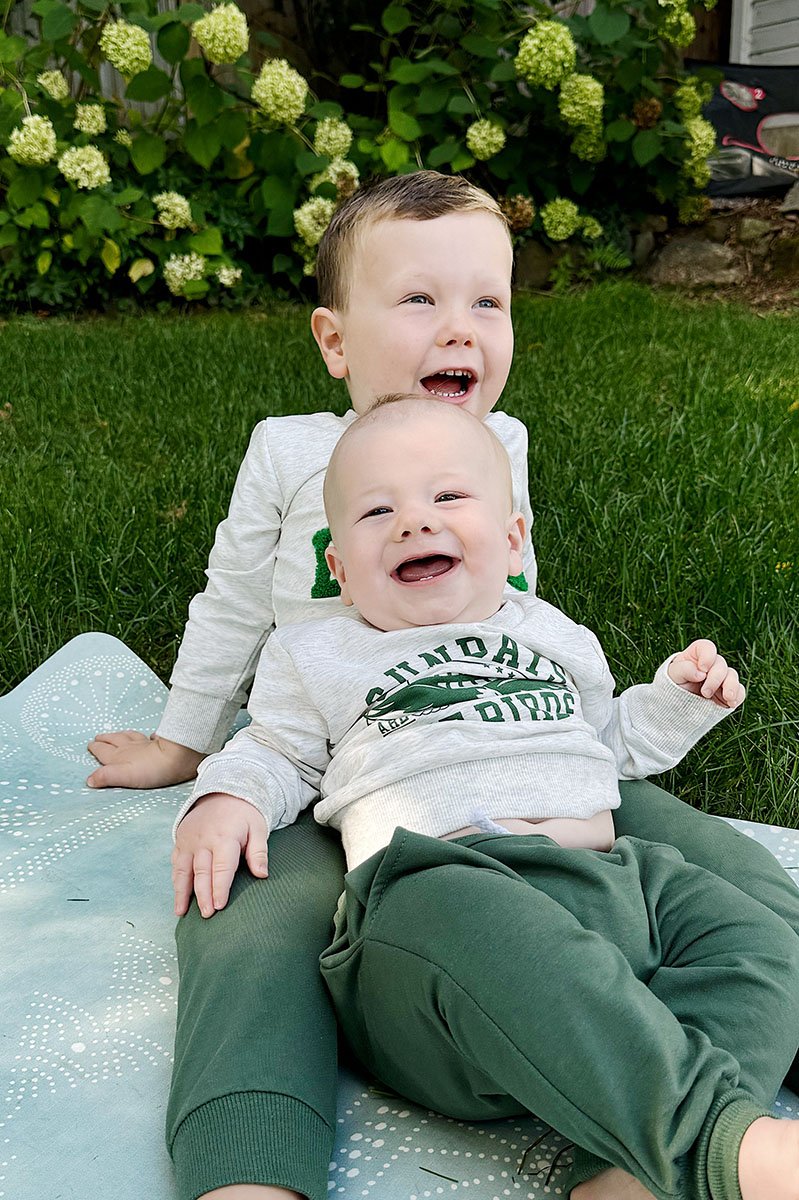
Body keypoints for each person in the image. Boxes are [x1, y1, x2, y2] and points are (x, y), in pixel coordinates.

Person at [86, 171, 799, 1200]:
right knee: (240, 915)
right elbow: (237, 602)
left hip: (505, 739)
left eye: (486, 303)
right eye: (418, 300)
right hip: (319, 740)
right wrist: (191, 750)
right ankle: (249, 1166)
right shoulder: (290, 451)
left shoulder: (501, 442)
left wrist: (599, 736)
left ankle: (655, 1146)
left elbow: (521, 625)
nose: (456, 328)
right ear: (335, 341)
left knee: (726, 882)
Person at [173, 395, 799, 1200]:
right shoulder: (315, 649)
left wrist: (676, 700)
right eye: (375, 511)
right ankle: (717, 1146)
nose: (412, 522)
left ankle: (623, 1173)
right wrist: (228, 797)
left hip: (608, 883)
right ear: (337, 567)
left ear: (512, 542)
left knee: (752, 939)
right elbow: (275, 747)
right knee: (448, 899)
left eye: (446, 497)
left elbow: (605, 747)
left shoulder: (552, 634)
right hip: (441, 919)